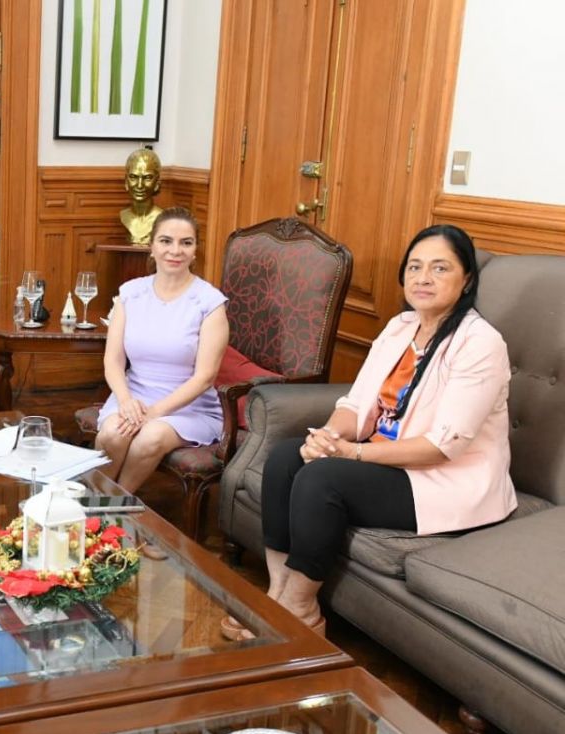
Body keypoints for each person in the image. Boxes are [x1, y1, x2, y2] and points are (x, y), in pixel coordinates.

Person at [229, 224, 516, 640]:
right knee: (286, 458)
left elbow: (442, 447)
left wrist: (350, 454)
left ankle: (302, 608)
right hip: (389, 459)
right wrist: (328, 437)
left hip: (440, 478)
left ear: (467, 279)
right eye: (415, 267)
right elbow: (356, 404)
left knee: (322, 479)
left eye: (440, 268)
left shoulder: (480, 343)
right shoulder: (401, 327)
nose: (423, 278)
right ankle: (279, 593)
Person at [95, 208, 229, 493]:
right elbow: (113, 360)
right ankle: (96, 502)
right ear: (152, 246)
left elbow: (205, 377)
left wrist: (155, 412)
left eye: (186, 242)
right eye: (166, 241)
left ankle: (114, 504)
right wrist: (126, 400)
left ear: (195, 250)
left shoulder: (210, 302)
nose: (175, 251)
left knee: (150, 437)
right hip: (134, 395)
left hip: (189, 407)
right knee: (113, 434)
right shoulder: (130, 293)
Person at [119, 147, 165, 245]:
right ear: (126, 181)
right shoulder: (123, 216)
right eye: (133, 177)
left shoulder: (162, 218)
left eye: (147, 178)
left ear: (157, 182)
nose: (140, 185)